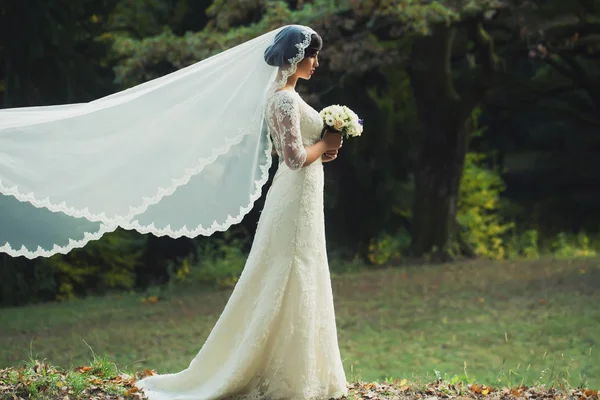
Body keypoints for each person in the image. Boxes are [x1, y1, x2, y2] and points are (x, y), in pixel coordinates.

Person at [133, 25, 349, 400]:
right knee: (289, 268)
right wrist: (325, 144)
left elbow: (307, 153)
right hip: (295, 194)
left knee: (305, 268)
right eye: (311, 55)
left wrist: (326, 148)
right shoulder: (282, 99)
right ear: (295, 57)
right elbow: (295, 158)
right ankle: (275, 373)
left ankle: (301, 370)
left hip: (305, 195)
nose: (316, 62)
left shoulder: (288, 97)